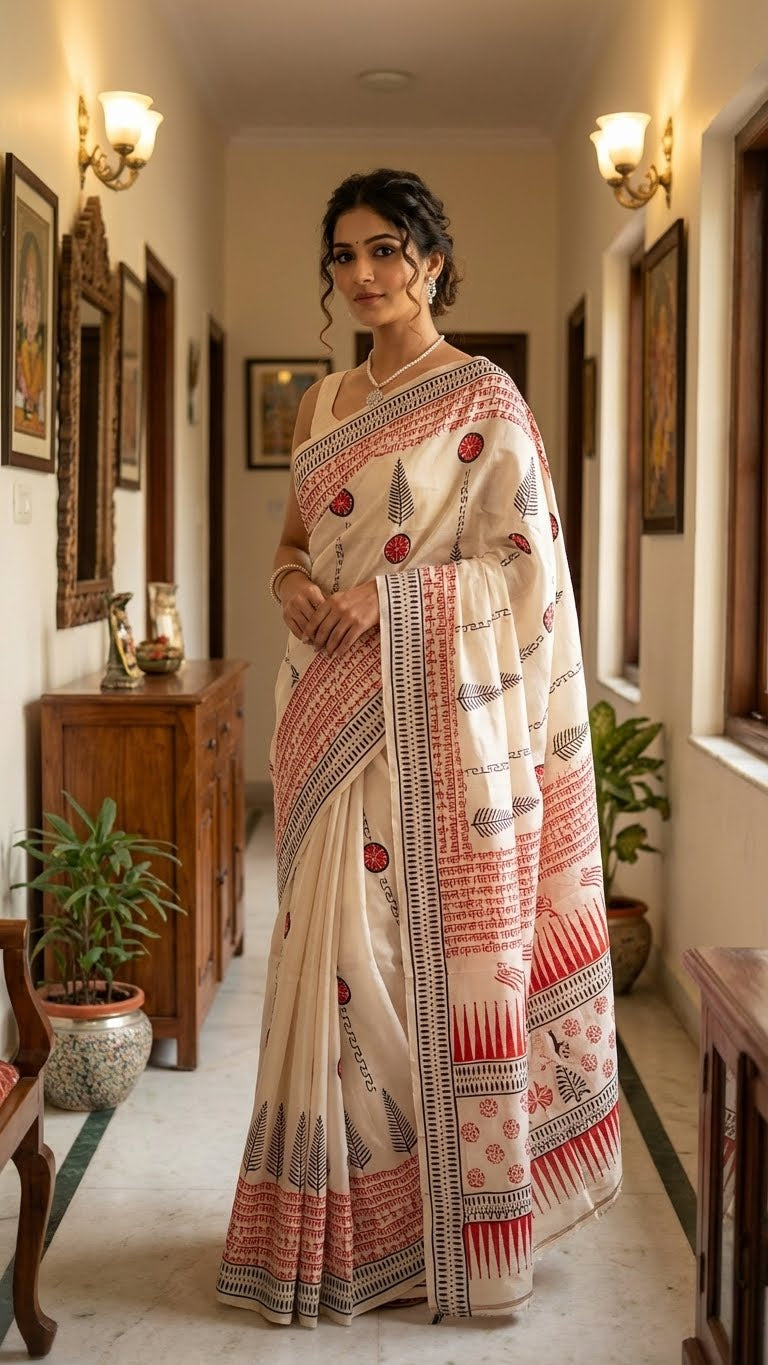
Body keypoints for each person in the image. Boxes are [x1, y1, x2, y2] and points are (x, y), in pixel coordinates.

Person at [217, 169, 621, 1328]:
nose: (363, 275)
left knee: (414, 966)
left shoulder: (482, 397)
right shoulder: (326, 403)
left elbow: (525, 571)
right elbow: (294, 543)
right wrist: (294, 584)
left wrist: (395, 607)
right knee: (330, 969)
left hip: (436, 727)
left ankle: (444, 1231)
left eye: (387, 250)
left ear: (435, 260)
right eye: (342, 256)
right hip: (323, 713)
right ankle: (342, 1229)